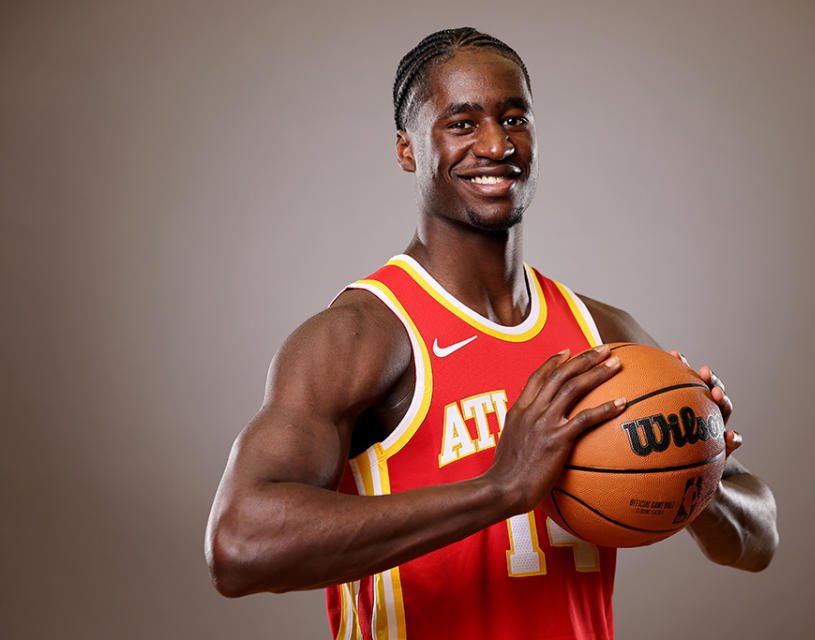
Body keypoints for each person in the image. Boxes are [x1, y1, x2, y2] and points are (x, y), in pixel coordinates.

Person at [205, 27, 778, 640]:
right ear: (407, 148)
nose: (496, 143)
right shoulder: (359, 336)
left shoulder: (602, 334)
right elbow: (241, 545)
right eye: (461, 123)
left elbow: (757, 540)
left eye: (514, 118)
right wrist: (500, 489)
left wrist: (693, 460)